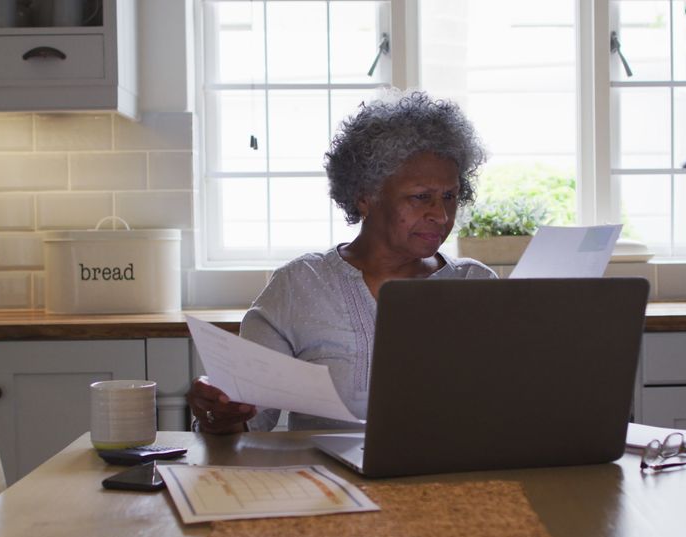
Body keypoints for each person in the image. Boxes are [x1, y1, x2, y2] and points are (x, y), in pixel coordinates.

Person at [187, 90, 496, 434]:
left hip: (448, 484)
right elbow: (247, 421)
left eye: (450, 196)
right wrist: (220, 412)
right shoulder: (299, 285)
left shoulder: (475, 284)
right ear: (365, 197)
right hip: (324, 484)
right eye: (421, 197)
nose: (440, 215)